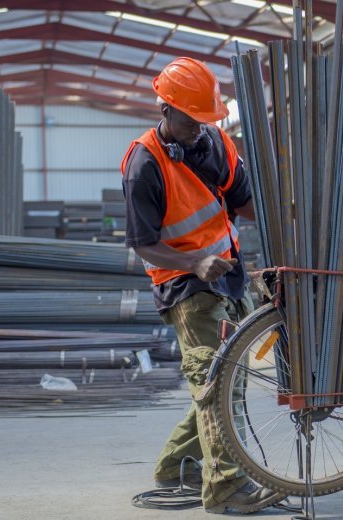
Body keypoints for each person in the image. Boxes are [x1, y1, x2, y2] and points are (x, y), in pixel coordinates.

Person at [121, 57, 283, 514]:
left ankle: (176, 466)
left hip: (227, 275)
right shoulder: (144, 163)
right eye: (193, 120)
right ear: (165, 109)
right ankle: (227, 489)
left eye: (207, 119)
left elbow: (245, 202)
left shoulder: (216, 143)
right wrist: (195, 262)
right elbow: (144, 245)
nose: (200, 129)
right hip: (183, 287)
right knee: (217, 387)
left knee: (222, 381)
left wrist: (289, 214)